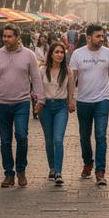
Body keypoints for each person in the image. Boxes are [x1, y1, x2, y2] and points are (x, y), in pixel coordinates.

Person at [0, 24, 45, 188]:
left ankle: (21, 170)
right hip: (1, 103)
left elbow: (36, 78)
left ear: (17, 37)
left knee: (22, 136)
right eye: (4, 36)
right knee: (5, 141)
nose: (6, 39)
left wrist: (41, 100)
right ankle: (9, 173)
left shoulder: (29, 55)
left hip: (21, 103)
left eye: (9, 36)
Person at [69, 24, 109, 186]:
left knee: (100, 135)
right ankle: (88, 163)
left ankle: (100, 171)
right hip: (83, 101)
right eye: (98, 36)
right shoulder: (78, 54)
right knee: (84, 136)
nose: (101, 39)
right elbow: (72, 78)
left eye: (102, 36)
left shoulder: (108, 53)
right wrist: (70, 98)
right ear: (89, 37)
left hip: (102, 100)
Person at [38, 42, 73, 186]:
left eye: (62, 52)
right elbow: (37, 87)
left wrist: (71, 101)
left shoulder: (68, 71)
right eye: (57, 52)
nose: (60, 55)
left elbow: (71, 89)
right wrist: (37, 101)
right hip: (45, 106)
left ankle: (58, 171)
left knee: (58, 139)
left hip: (61, 107)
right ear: (51, 54)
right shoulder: (42, 70)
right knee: (49, 140)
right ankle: (52, 168)